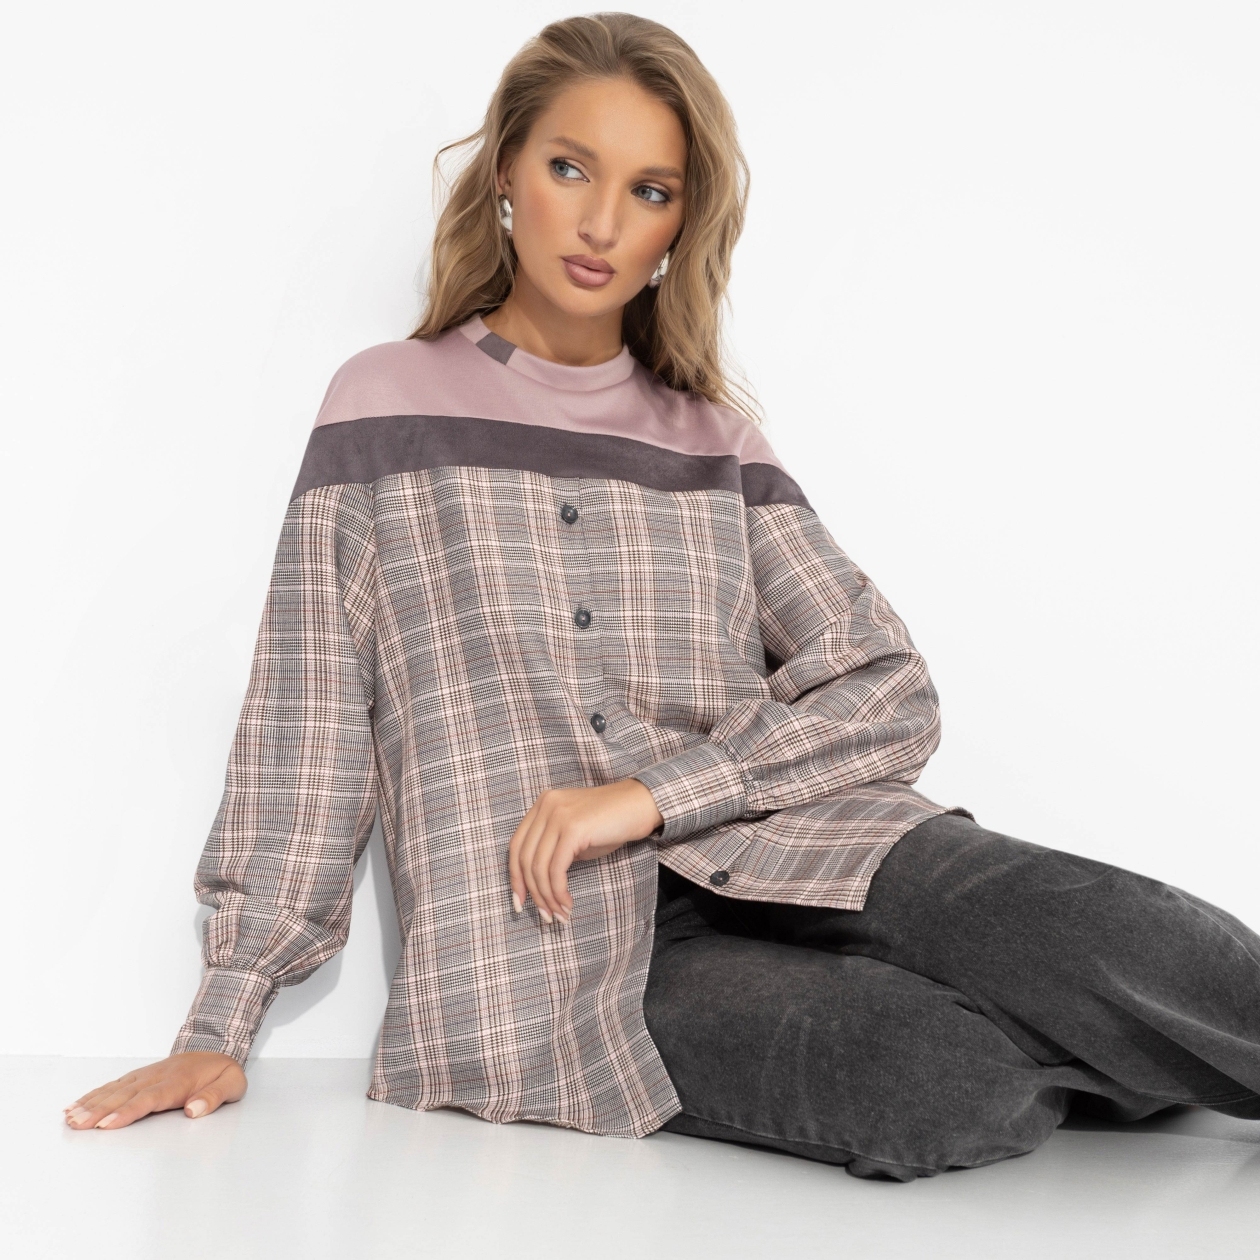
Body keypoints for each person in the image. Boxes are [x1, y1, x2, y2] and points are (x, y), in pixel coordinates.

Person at [63, 13, 1260, 1181]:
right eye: (569, 168)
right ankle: (1125, 1056)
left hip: (796, 847)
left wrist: (647, 796)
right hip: (565, 961)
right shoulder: (384, 408)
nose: (600, 222)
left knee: (1109, 930)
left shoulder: (712, 440)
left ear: (681, 224)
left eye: (649, 190)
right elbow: (310, 722)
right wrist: (220, 1025)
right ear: (505, 173)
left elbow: (886, 687)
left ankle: (1128, 1039)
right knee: (940, 1077)